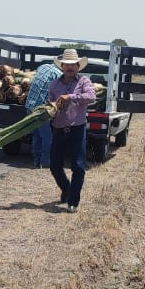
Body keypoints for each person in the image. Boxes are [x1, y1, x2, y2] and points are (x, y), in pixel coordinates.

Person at [47, 48, 96, 213]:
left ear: (78, 66)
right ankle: (67, 190)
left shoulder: (84, 82)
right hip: (59, 128)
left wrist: (71, 97)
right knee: (54, 165)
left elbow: (91, 97)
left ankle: (73, 202)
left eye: (73, 65)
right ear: (61, 66)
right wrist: (50, 109)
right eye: (66, 65)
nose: (69, 68)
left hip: (77, 129)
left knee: (78, 166)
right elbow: (50, 104)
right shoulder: (54, 84)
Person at [24, 61, 61, 168]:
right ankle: (45, 162)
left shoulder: (43, 66)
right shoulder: (58, 74)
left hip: (29, 106)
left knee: (37, 135)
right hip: (41, 109)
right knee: (47, 137)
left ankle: (36, 161)